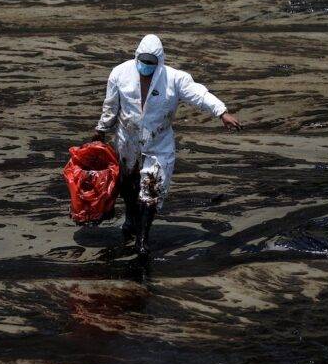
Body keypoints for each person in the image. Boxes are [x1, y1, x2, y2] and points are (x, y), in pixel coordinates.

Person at [93, 34, 242, 258]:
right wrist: (101, 130)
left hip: (158, 142)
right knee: (128, 185)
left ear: (159, 62)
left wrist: (221, 111)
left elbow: (199, 94)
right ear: (136, 58)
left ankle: (142, 239)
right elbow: (111, 105)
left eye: (151, 63)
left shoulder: (174, 79)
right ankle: (130, 220)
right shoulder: (120, 73)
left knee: (151, 190)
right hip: (127, 139)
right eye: (142, 62)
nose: (145, 67)